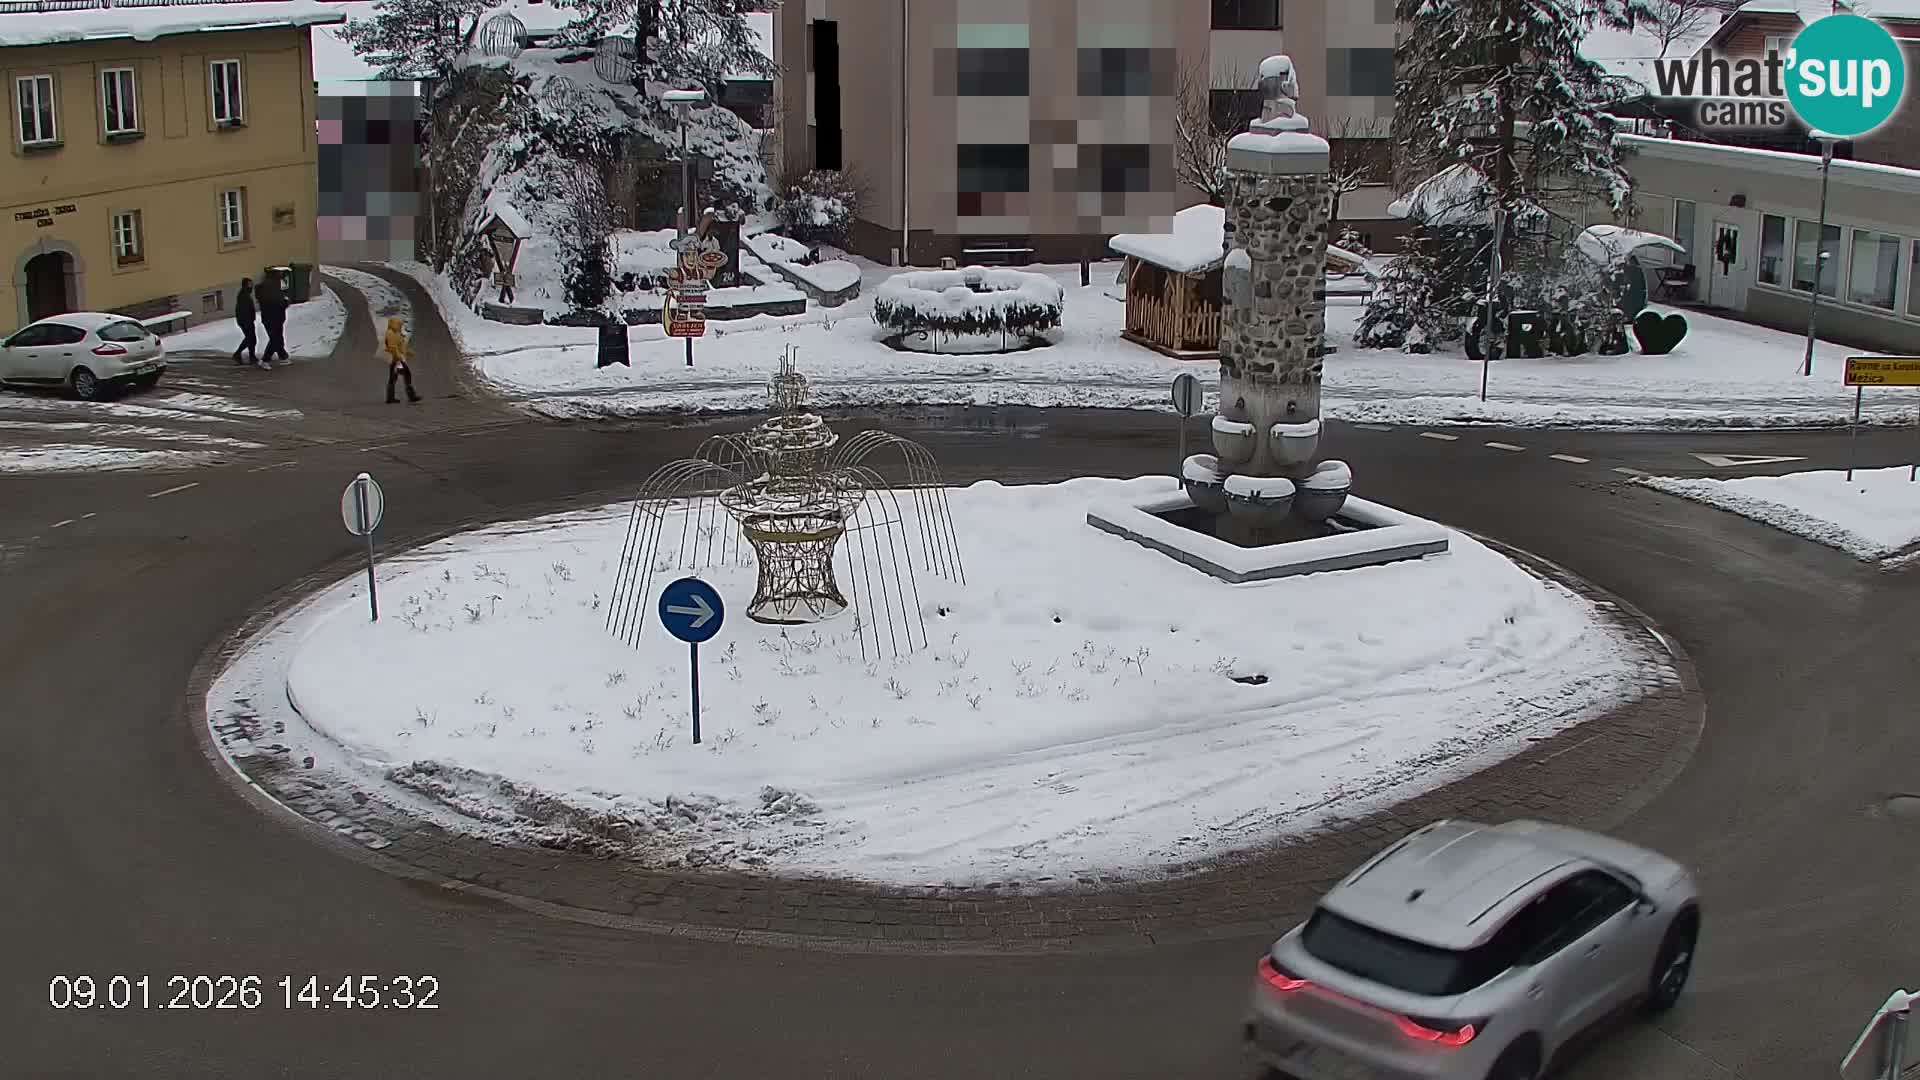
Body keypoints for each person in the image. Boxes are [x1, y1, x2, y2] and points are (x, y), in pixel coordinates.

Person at [382, 316, 420, 404]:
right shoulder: (390, 333)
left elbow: (401, 345)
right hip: (396, 360)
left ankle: (391, 397)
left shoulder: (396, 334)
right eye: (398, 324)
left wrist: (408, 351)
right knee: (406, 375)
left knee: (395, 377)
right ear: (393, 324)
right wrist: (398, 356)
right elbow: (392, 347)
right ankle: (411, 396)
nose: (399, 326)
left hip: (397, 359)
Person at [257, 271, 290, 366]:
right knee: (275, 339)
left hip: (272, 318)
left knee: (277, 338)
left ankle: (283, 356)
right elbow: (278, 303)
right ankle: (265, 360)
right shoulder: (273, 289)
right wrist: (285, 302)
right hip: (274, 318)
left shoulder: (266, 288)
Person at [231, 277, 258, 366]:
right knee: (250, 338)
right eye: (250, 284)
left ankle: (251, 356)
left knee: (251, 339)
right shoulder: (243, 295)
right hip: (245, 321)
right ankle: (238, 354)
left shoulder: (245, 294)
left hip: (247, 320)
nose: (251, 286)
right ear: (245, 285)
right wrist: (247, 320)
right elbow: (243, 310)